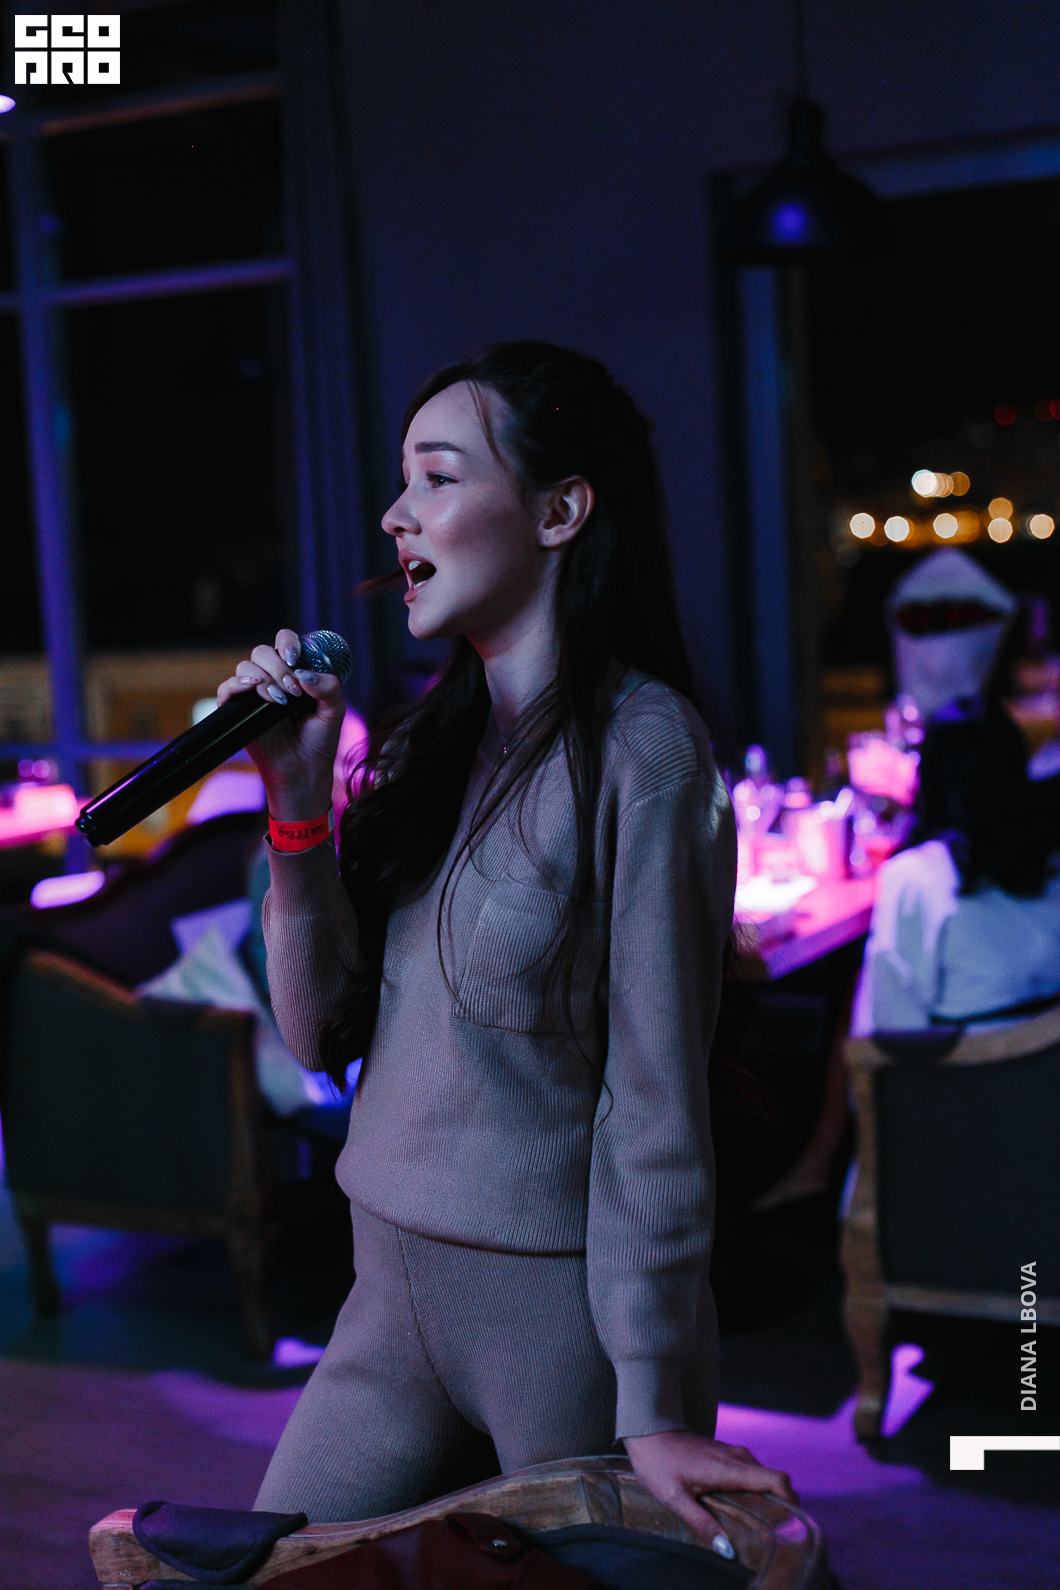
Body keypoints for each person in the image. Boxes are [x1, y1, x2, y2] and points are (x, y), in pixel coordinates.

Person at [218, 342, 795, 1532]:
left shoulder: (646, 750)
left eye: (436, 477)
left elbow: (653, 1093)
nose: (396, 515)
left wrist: (654, 1398)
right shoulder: (432, 746)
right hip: (383, 1297)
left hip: (558, 1325)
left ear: (558, 512)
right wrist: (296, 801)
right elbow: (318, 1033)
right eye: (402, 481)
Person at [852, 694, 1060, 1033]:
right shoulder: (1051, 860)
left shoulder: (915, 876)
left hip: (966, 1065)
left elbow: (889, 1025)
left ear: (928, 778)